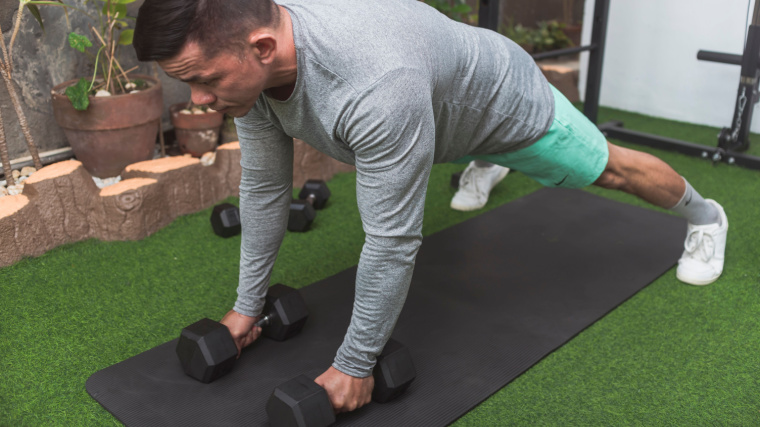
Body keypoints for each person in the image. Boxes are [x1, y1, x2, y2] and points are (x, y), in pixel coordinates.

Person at [133, 0, 728, 414]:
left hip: (501, 103)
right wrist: (245, 309)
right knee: (410, 143)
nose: (199, 100)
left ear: (262, 47)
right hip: (430, 113)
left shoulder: (373, 85)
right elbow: (264, 189)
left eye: (202, 79)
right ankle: (486, 163)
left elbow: (391, 241)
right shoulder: (253, 62)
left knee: (609, 168)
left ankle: (706, 217)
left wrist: (356, 362)